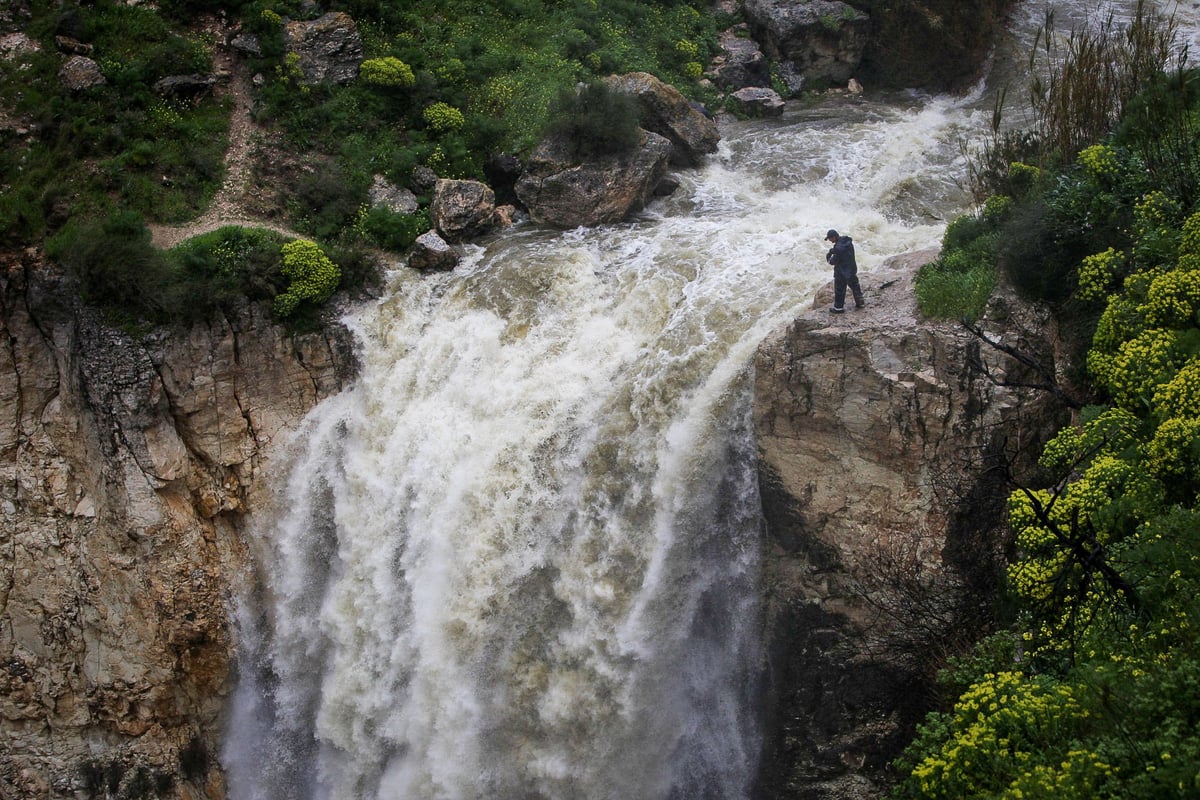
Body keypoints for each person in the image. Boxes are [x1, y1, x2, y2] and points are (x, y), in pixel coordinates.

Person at [825, 229, 865, 313]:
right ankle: (860, 303)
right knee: (855, 286)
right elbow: (844, 252)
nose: (829, 240)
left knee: (840, 290)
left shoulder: (838, 248)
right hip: (852, 269)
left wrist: (828, 258)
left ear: (834, 237)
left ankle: (838, 308)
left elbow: (833, 261)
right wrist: (833, 250)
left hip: (841, 272)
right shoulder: (847, 242)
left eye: (830, 238)